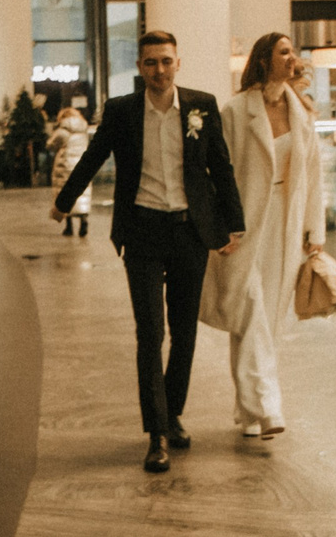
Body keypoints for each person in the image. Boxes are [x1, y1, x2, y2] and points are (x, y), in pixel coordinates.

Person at [52, 31, 245, 472]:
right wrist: (65, 202)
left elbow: (221, 166)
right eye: (150, 63)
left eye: (166, 61)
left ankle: (172, 413)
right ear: (140, 67)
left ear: (179, 62)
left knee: (184, 333)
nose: (159, 70)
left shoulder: (201, 105)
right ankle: (156, 433)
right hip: (142, 233)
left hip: (189, 232)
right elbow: (93, 157)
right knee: (149, 334)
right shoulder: (122, 111)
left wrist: (233, 224)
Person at [201, 33, 326, 438]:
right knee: (249, 304)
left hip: (285, 222)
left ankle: (248, 413)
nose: (293, 58)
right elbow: (216, 175)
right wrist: (219, 227)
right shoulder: (236, 111)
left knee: (263, 317)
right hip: (243, 225)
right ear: (263, 60)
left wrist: (314, 231)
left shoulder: (301, 112)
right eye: (283, 52)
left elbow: (314, 177)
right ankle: (268, 407)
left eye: (293, 52)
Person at [46, 106, 94, 236]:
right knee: (82, 193)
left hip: (65, 164)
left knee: (65, 192)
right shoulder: (84, 130)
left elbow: (50, 144)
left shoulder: (62, 131)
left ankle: (69, 227)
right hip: (82, 164)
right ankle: (84, 221)